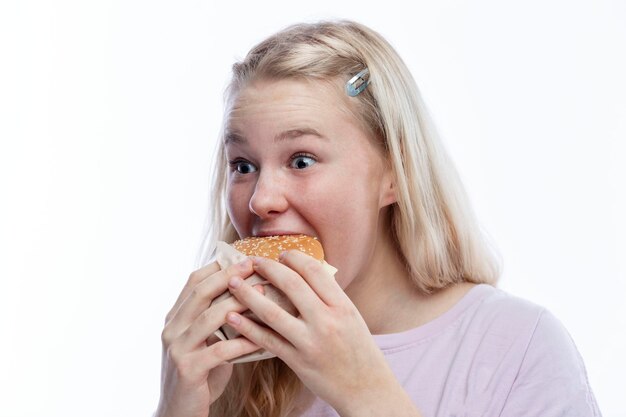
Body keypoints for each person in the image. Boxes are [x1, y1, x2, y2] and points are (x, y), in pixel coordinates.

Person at [154, 20, 601, 417]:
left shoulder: (516, 347)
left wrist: (365, 395)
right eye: (243, 166)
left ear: (393, 174)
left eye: (302, 160)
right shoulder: (229, 365)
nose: (260, 200)